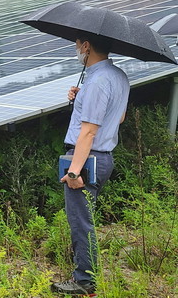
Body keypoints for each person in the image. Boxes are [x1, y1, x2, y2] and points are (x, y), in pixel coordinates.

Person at [51, 32, 129, 295]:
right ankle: (86, 275)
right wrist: (80, 100)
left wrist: (74, 170)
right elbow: (117, 119)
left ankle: (84, 281)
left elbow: (88, 132)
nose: (76, 50)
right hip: (103, 157)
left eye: (76, 45)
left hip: (87, 158)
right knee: (85, 218)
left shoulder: (98, 82)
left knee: (81, 221)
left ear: (86, 46)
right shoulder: (118, 76)